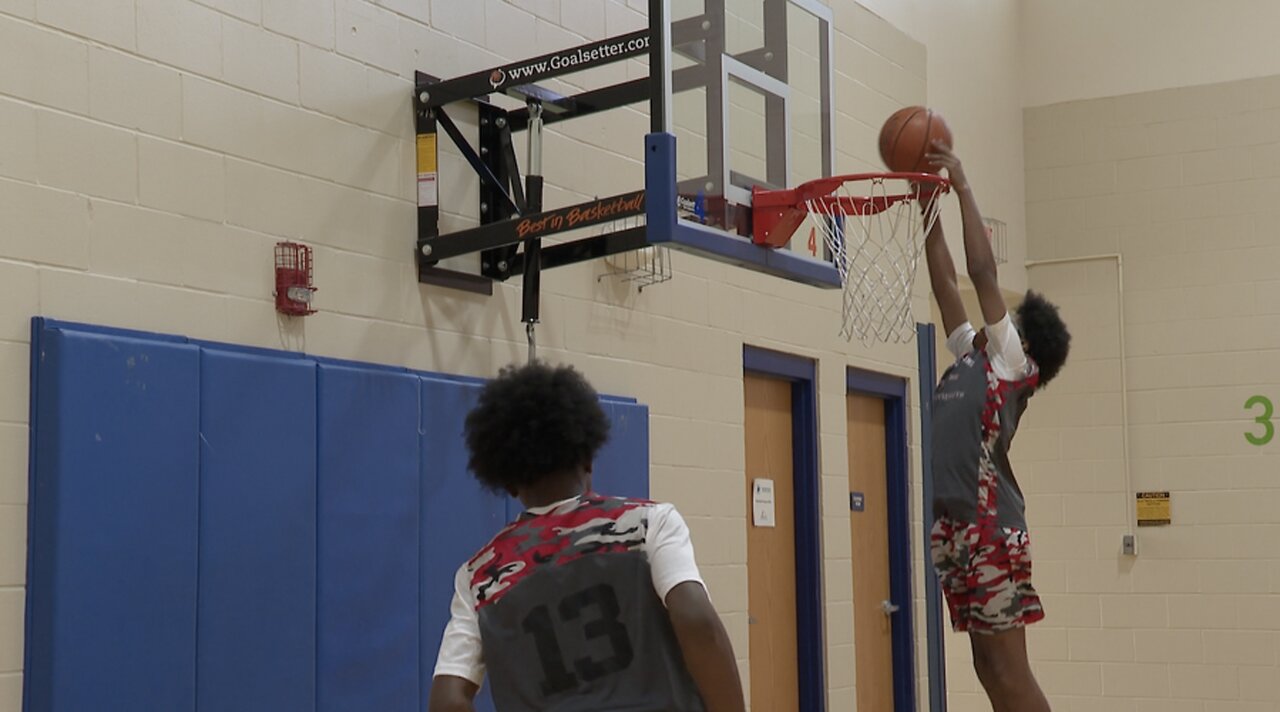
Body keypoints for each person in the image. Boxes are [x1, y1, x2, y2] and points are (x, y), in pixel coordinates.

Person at [428, 362, 746, 712]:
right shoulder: (649, 523)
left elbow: (447, 700)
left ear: (507, 481)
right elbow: (696, 621)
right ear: (588, 458)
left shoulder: (479, 577)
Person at [922, 141, 1071, 712]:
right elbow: (945, 286)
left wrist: (959, 184)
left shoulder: (1013, 363)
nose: (988, 317)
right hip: (954, 529)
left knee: (1009, 672)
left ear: (1023, 340)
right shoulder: (971, 355)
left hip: (990, 528)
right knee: (987, 669)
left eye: (1004, 319)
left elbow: (980, 271)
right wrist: (925, 206)